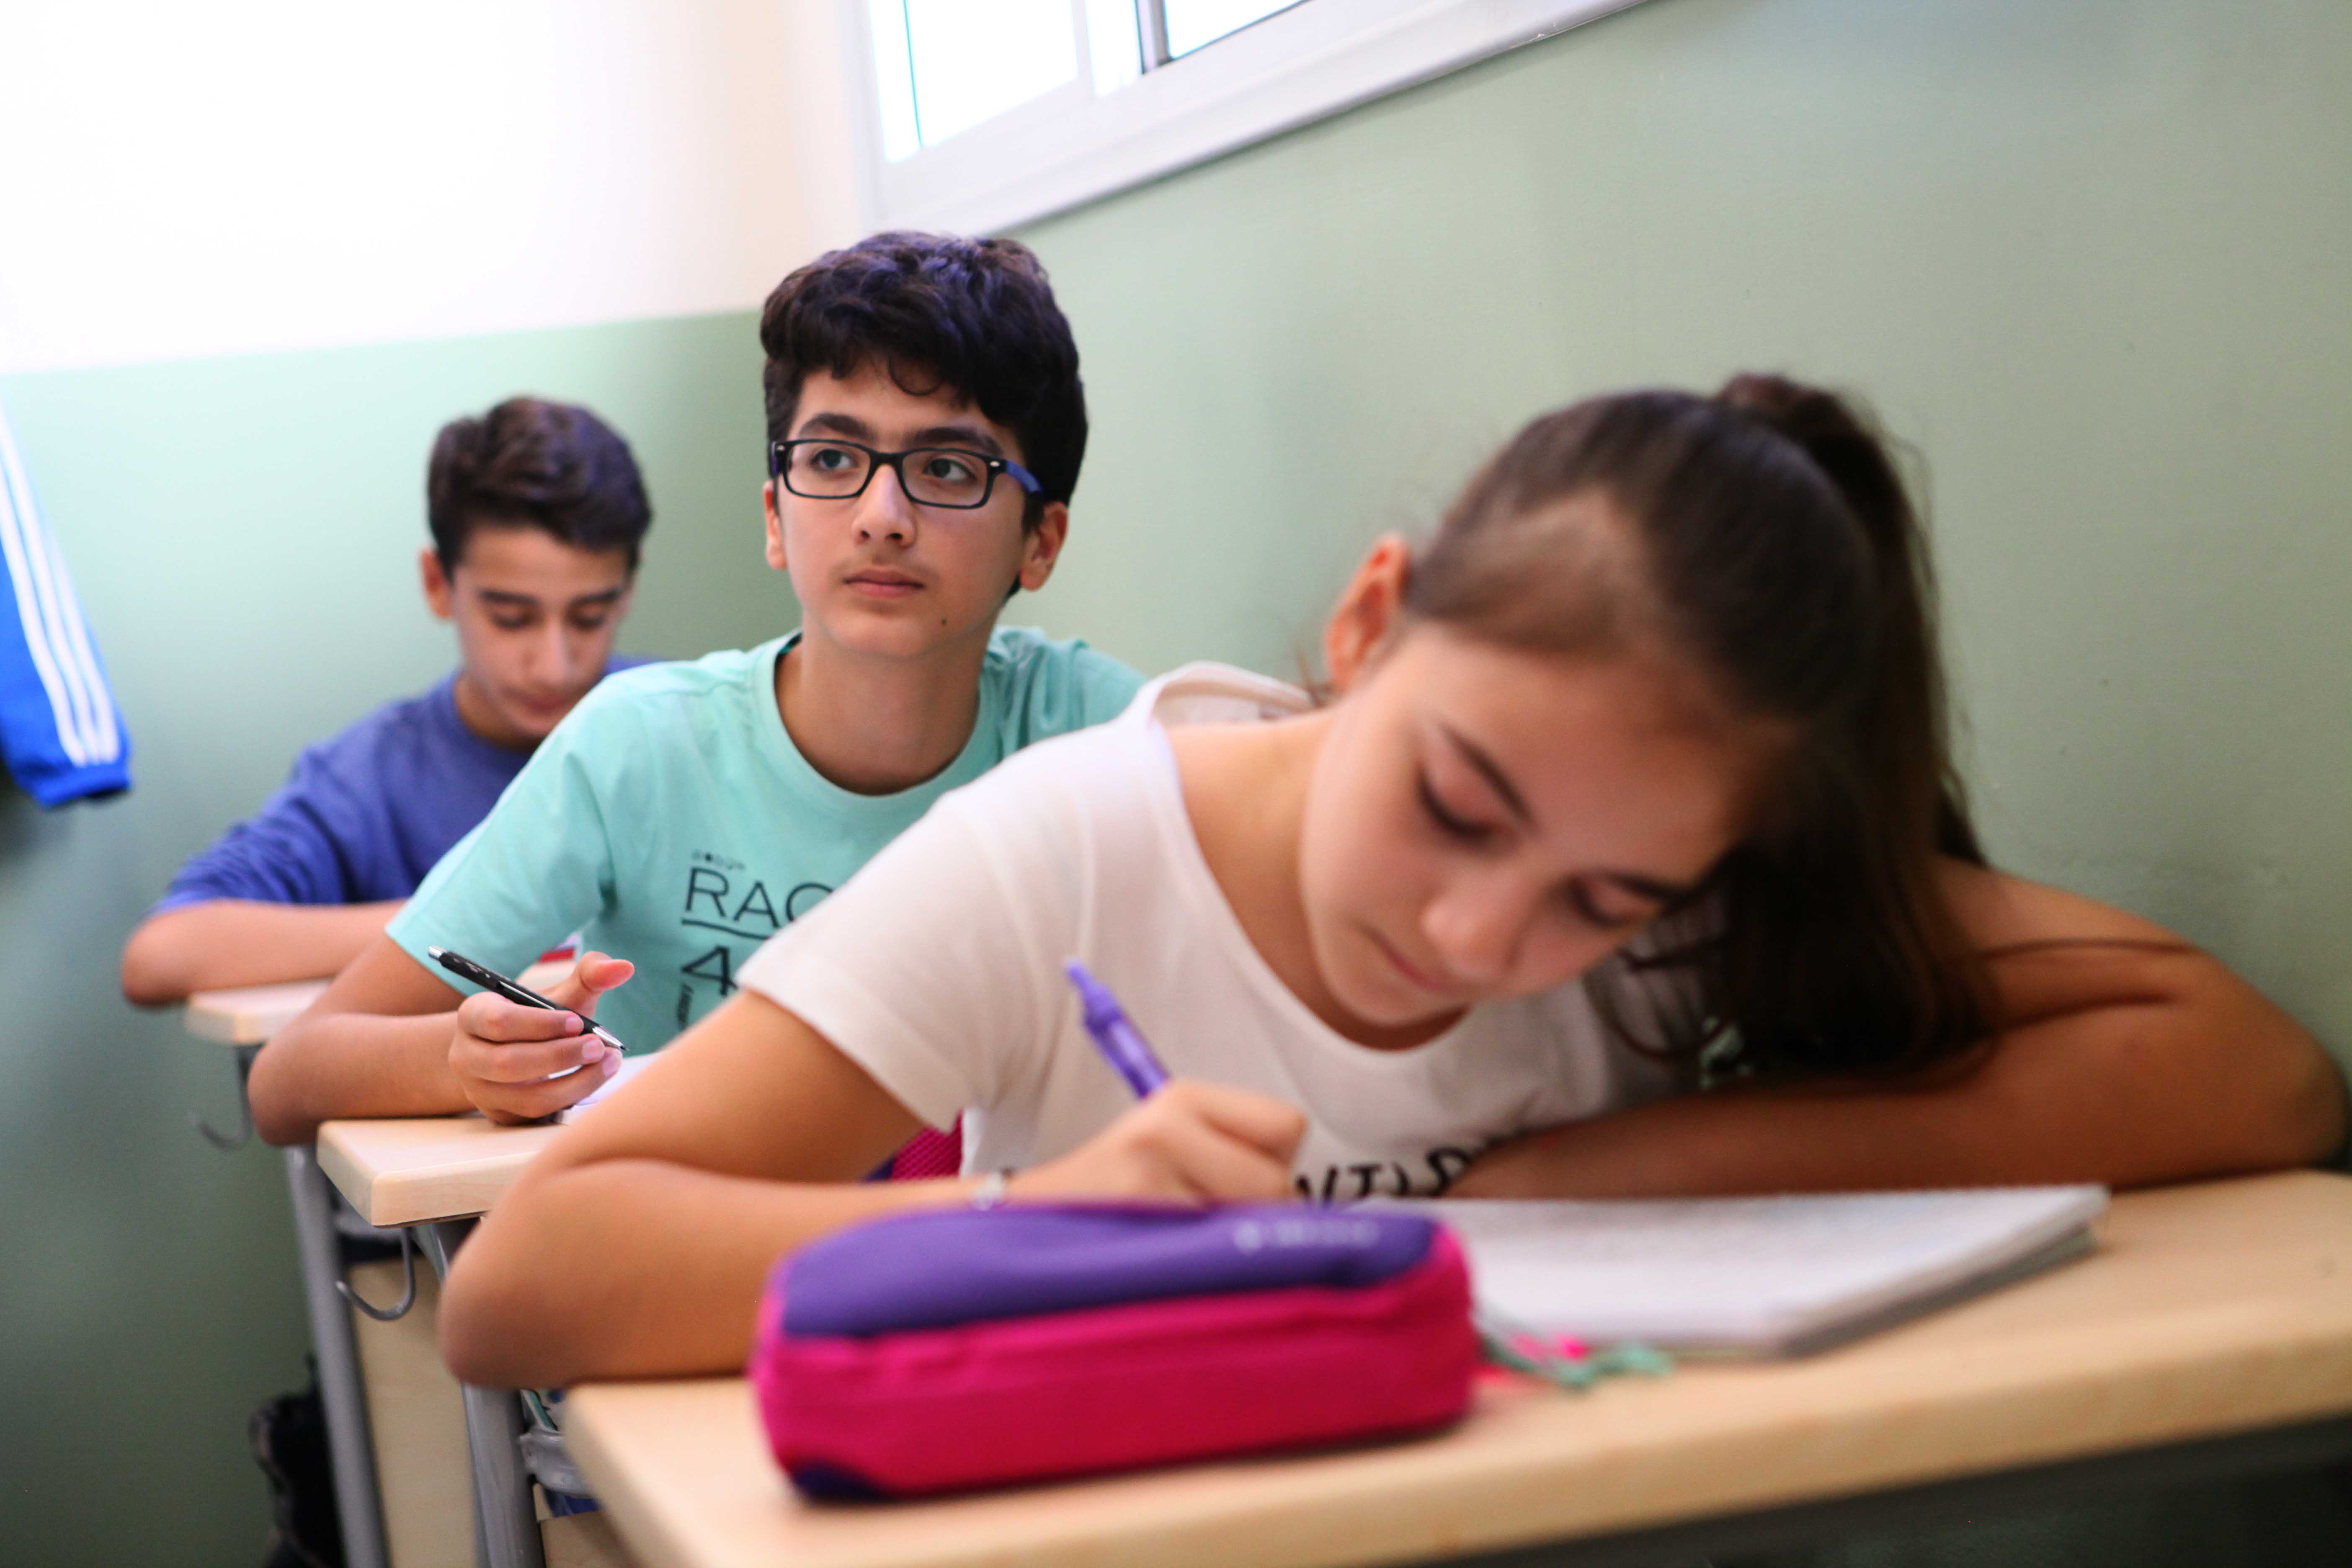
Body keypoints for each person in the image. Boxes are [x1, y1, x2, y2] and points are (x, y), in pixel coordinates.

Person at [436, 373, 2347, 1389]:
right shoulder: (1065, 845)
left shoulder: (1685, 870)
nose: (1480, 938)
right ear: (1372, 620)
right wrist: (1040, 1227)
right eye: (1455, 801)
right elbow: (526, 1284)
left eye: (1603, 903)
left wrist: (1592, 1173)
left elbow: (2250, 1073)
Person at [248, 232, 1144, 1148]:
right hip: (686, 1224)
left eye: (947, 469)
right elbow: (287, 1081)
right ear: (775, 516)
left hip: (985, 1233)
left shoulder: (1101, 735)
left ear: (1040, 541)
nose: (882, 518)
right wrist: (464, 1059)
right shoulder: (637, 746)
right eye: (832, 461)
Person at [120, 397, 651, 1005]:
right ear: (438, 584)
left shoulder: (685, 727)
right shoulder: (369, 780)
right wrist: (474, 916)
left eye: (589, 617)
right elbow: (161, 956)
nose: (553, 664)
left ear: (626, 592)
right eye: (511, 617)